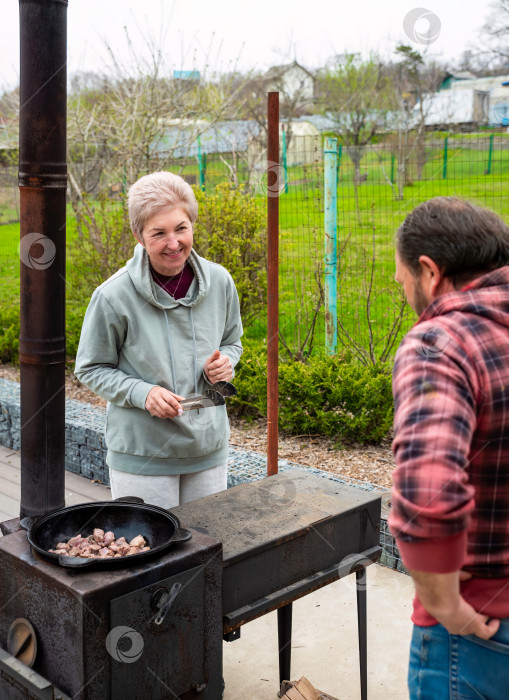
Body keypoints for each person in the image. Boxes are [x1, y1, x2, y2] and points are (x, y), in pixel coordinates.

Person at [388, 196, 509, 699]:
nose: (404, 293)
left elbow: (429, 492)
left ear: (430, 272)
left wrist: (446, 606)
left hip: (480, 629)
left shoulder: (439, 345)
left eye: (402, 282)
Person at [75, 171, 243, 509]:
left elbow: (232, 341)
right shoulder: (112, 296)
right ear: (139, 236)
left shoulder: (221, 281)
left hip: (207, 447)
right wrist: (143, 392)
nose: (174, 243)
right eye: (159, 233)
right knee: (150, 557)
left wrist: (225, 364)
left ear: (192, 224)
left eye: (181, 228)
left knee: (205, 552)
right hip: (143, 455)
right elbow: (91, 368)